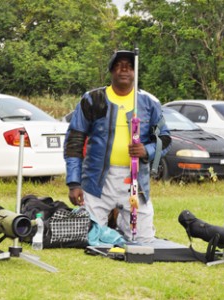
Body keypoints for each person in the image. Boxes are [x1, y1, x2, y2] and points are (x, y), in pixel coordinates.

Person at [64, 50, 171, 243]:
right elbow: (74, 141)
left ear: (136, 72)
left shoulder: (149, 102)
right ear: (111, 70)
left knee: (143, 239)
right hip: (96, 182)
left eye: (130, 66)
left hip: (135, 182)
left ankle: (123, 226)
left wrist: (147, 151)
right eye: (119, 65)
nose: (124, 70)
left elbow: (165, 139)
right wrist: (74, 183)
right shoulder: (92, 99)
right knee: (90, 238)